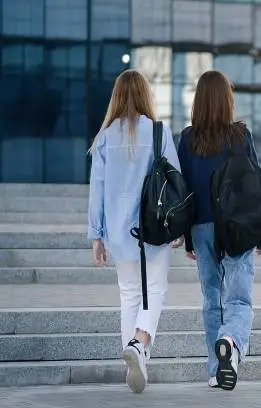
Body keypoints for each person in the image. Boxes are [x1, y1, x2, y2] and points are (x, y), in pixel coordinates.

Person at [87, 69, 183, 394]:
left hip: (117, 231)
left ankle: (135, 363)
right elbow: (174, 181)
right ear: (145, 95)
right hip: (153, 228)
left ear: (117, 97)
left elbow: (96, 191)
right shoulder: (158, 132)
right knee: (154, 290)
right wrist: (178, 227)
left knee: (129, 295)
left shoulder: (103, 138)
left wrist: (96, 236)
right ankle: (140, 345)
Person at [177, 70, 261, 391]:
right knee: (239, 300)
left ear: (198, 100)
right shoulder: (241, 135)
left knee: (212, 299)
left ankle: (216, 370)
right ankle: (231, 340)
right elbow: (253, 185)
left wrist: (188, 237)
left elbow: (184, 191)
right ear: (228, 99)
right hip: (237, 226)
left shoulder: (186, 139)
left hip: (201, 227)